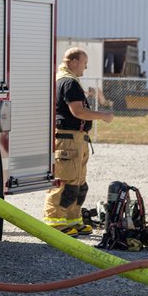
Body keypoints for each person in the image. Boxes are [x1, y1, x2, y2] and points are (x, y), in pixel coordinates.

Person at [44, 48, 114, 235]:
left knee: (78, 183)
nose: (86, 67)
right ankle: (54, 221)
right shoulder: (68, 82)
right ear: (73, 61)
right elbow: (78, 112)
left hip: (76, 139)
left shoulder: (67, 81)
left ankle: (72, 219)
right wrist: (103, 116)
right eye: (84, 62)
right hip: (68, 140)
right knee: (64, 181)